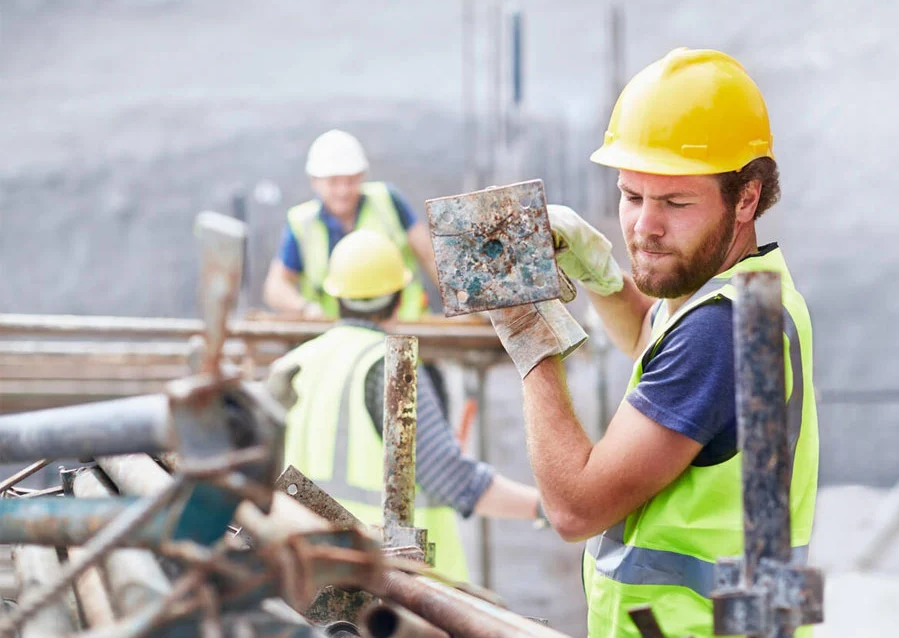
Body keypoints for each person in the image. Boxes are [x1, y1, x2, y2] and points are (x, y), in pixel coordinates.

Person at [485, 48, 819, 637]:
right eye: (631, 196)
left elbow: (574, 509)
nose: (644, 227)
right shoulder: (751, 293)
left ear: (746, 197)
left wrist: (527, 332)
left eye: (674, 202)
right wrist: (602, 275)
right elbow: (652, 338)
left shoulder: (720, 332)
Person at [270, 229, 543, 581]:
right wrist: (543, 506)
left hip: (306, 577)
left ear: (333, 298)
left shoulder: (293, 363)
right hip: (389, 588)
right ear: (399, 298)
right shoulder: (390, 365)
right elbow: (450, 478)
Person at [263, 129, 438, 320]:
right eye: (333, 182)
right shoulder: (302, 223)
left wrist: (464, 300)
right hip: (336, 339)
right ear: (314, 181)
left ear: (362, 176)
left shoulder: (388, 202)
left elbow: (432, 258)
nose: (343, 190)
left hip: (404, 331)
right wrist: (305, 308)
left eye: (351, 180)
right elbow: (276, 287)